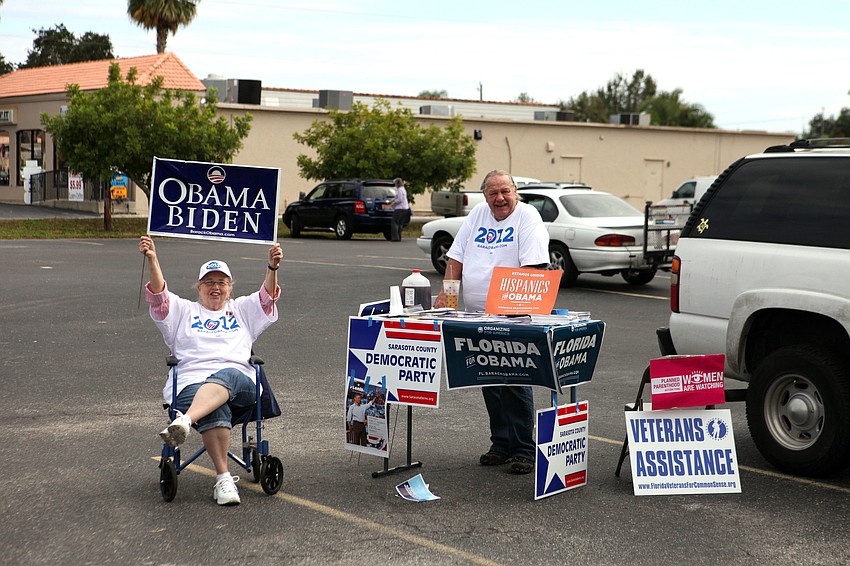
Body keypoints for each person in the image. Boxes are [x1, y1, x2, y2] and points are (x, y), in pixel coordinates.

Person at [138, 234, 283, 505]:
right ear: (199, 287)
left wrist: (272, 267)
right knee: (216, 406)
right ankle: (224, 480)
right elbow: (159, 296)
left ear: (230, 287)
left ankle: (185, 421)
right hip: (190, 385)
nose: (215, 287)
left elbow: (267, 299)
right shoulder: (183, 311)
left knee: (226, 374)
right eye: (209, 282)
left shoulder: (241, 310)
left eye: (221, 282)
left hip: (240, 385)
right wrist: (152, 258)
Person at [433, 169, 550, 474]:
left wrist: (516, 308)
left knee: (515, 381)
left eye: (505, 192)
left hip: (513, 316)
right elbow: (456, 258)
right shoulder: (478, 216)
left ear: (516, 191)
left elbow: (535, 267)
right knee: (489, 379)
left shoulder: (527, 216)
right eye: (492, 193)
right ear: (484, 195)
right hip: (477, 316)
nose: (500, 199)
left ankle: (524, 448)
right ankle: (501, 444)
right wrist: (447, 298)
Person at [387, 177, 410, 242]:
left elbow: (400, 199)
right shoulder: (403, 189)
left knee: (394, 222)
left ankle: (395, 238)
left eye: (395, 183)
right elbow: (397, 198)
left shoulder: (400, 190)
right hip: (405, 208)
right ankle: (399, 237)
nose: (395, 185)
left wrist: (392, 203)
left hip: (400, 208)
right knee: (400, 223)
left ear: (397, 184)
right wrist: (391, 201)